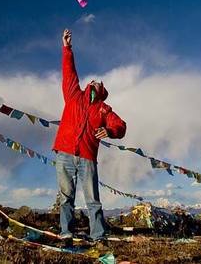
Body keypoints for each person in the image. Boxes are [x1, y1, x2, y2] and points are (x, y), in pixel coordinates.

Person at [52, 28, 127, 243]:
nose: (94, 80)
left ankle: (98, 236)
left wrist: (111, 131)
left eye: (98, 81)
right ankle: (66, 232)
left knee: (92, 199)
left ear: (102, 89)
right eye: (92, 79)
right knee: (66, 197)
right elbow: (69, 73)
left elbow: (121, 126)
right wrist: (67, 48)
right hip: (65, 152)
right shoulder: (73, 95)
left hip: (87, 157)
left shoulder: (104, 109)